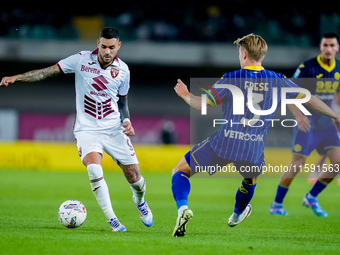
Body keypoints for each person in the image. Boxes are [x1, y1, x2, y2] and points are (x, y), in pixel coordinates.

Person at [171, 33, 340, 237]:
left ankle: (183, 209)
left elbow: (201, 104)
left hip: (224, 142)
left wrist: (186, 94)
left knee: (180, 170)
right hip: (252, 148)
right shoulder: (277, 80)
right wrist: (335, 116)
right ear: (262, 55)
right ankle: (236, 215)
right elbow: (310, 99)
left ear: (243, 54)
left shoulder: (232, 78)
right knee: (250, 180)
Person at [0, 27, 153, 231]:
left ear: (119, 46)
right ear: (98, 43)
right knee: (93, 168)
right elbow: (47, 72)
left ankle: (139, 200)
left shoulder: (123, 70)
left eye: (112, 48)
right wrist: (17, 77)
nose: (107, 52)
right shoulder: (81, 60)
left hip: (113, 129)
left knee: (135, 178)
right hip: (86, 129)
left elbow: (123, 103)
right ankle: (112, 220)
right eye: (104, 47)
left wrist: (126, 121)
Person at [269, 32, 340, 217]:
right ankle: (276, 204)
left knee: (338, 163)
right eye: (326, 45)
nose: (329, 49)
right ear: (320, 46)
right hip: (307, 123)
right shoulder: (307, 67)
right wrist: (299, 115)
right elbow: (287, 91)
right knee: (298, 163)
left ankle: (311, 197)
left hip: (326, 124)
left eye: (332, 45)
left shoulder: (339, 68)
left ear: (337, 48)